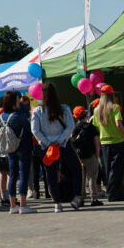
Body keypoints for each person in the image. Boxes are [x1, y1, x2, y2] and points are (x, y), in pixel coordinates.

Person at [31, 82, 83, 213]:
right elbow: (70, 126)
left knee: (51, 174)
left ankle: (57, 203)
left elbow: (35, 130)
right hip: (63, 144)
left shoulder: (37, 110)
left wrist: (47, 142)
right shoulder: (64, 108)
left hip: (47, 147)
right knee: (77, 168)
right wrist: (59, 141)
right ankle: (77, 197)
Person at [0, 92, 35, 214]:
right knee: (24, 175)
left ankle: (13, 205)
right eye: (17, 100)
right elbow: (29, 126)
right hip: (23, 147)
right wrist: (24, 107)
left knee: (13, 175)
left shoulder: (2, 116)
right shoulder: (18, 116)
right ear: (13, 102)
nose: (19, 101)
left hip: (10, 148)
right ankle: (23, 205)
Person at [92, 85, 124, 202]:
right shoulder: (115, 107)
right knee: (117, 169)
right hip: (118, 141)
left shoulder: (97, 110)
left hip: (104, 142)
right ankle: (112, 193)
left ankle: (120, 192)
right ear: (112, 95)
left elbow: (96, 127)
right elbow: (118, 124)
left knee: (108, 169)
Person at [72, 105, 102, 206]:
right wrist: (97, 155)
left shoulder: (74, 128)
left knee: (81, 177)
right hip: (90, 155)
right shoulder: (91, 127)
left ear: (75, 116)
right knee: (92, 176)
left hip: (78, 156)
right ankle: (94, 198)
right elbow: (97, 143)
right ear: (86, 114)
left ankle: (81, 199)